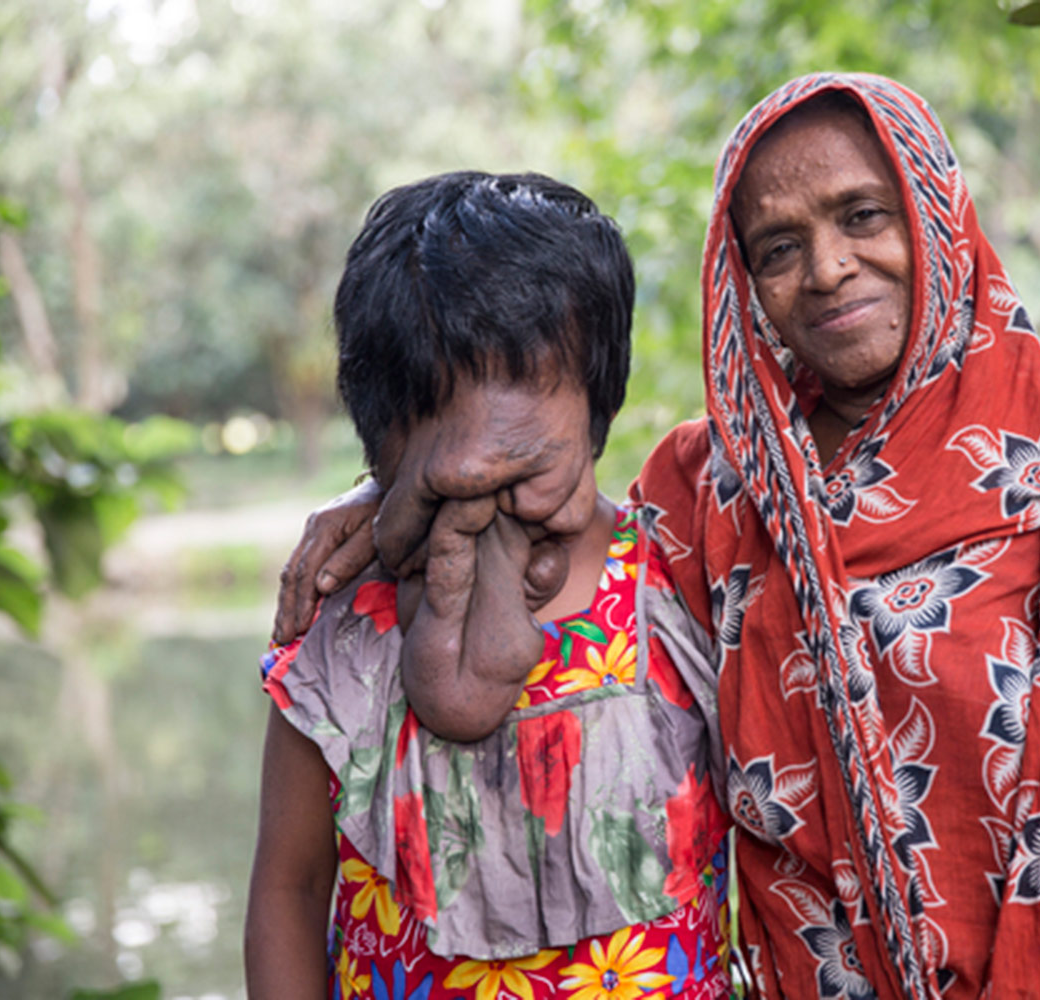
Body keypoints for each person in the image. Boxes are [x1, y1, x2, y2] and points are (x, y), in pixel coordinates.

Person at [274, 75, 1040, 999]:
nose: (828, 268)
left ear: (938, 211)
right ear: (741, 278)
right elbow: (532, 484)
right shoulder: (715, 492)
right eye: (777, 247)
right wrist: (393, 482)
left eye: (863, 215)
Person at [246, 171, 730, 1000]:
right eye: (440, 454)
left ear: (595, 404)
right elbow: (286, 892)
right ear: (381, 445)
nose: (473, 471)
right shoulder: (347, 633)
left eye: (518, 451)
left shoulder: (680, 583)